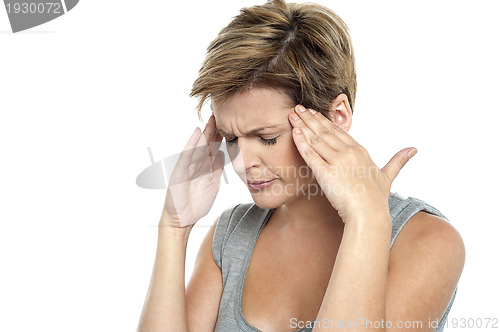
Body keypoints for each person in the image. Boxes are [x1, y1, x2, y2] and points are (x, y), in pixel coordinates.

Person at [138, 0, 465, 331]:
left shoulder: (427, 240)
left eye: (267, 138)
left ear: (337, 117)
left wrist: (367, 220)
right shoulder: (231, 236)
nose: (242, 165)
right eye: (232, 140)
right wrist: (174, 228)